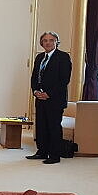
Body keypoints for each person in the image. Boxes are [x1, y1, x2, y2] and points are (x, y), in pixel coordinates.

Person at [26, 31, 72, 164]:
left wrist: (49, 94)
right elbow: (34, 77)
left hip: (55, 99)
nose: (48, 42)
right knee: (41, 126)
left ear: (56, 42)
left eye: (51, 40)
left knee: (53, 127)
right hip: (40, 98)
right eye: (45, 40)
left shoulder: (63, 57)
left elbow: (64, 80)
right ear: (42, 43)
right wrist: (35, 91)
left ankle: (54, 155)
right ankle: (41, 152)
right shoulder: (39, 57)